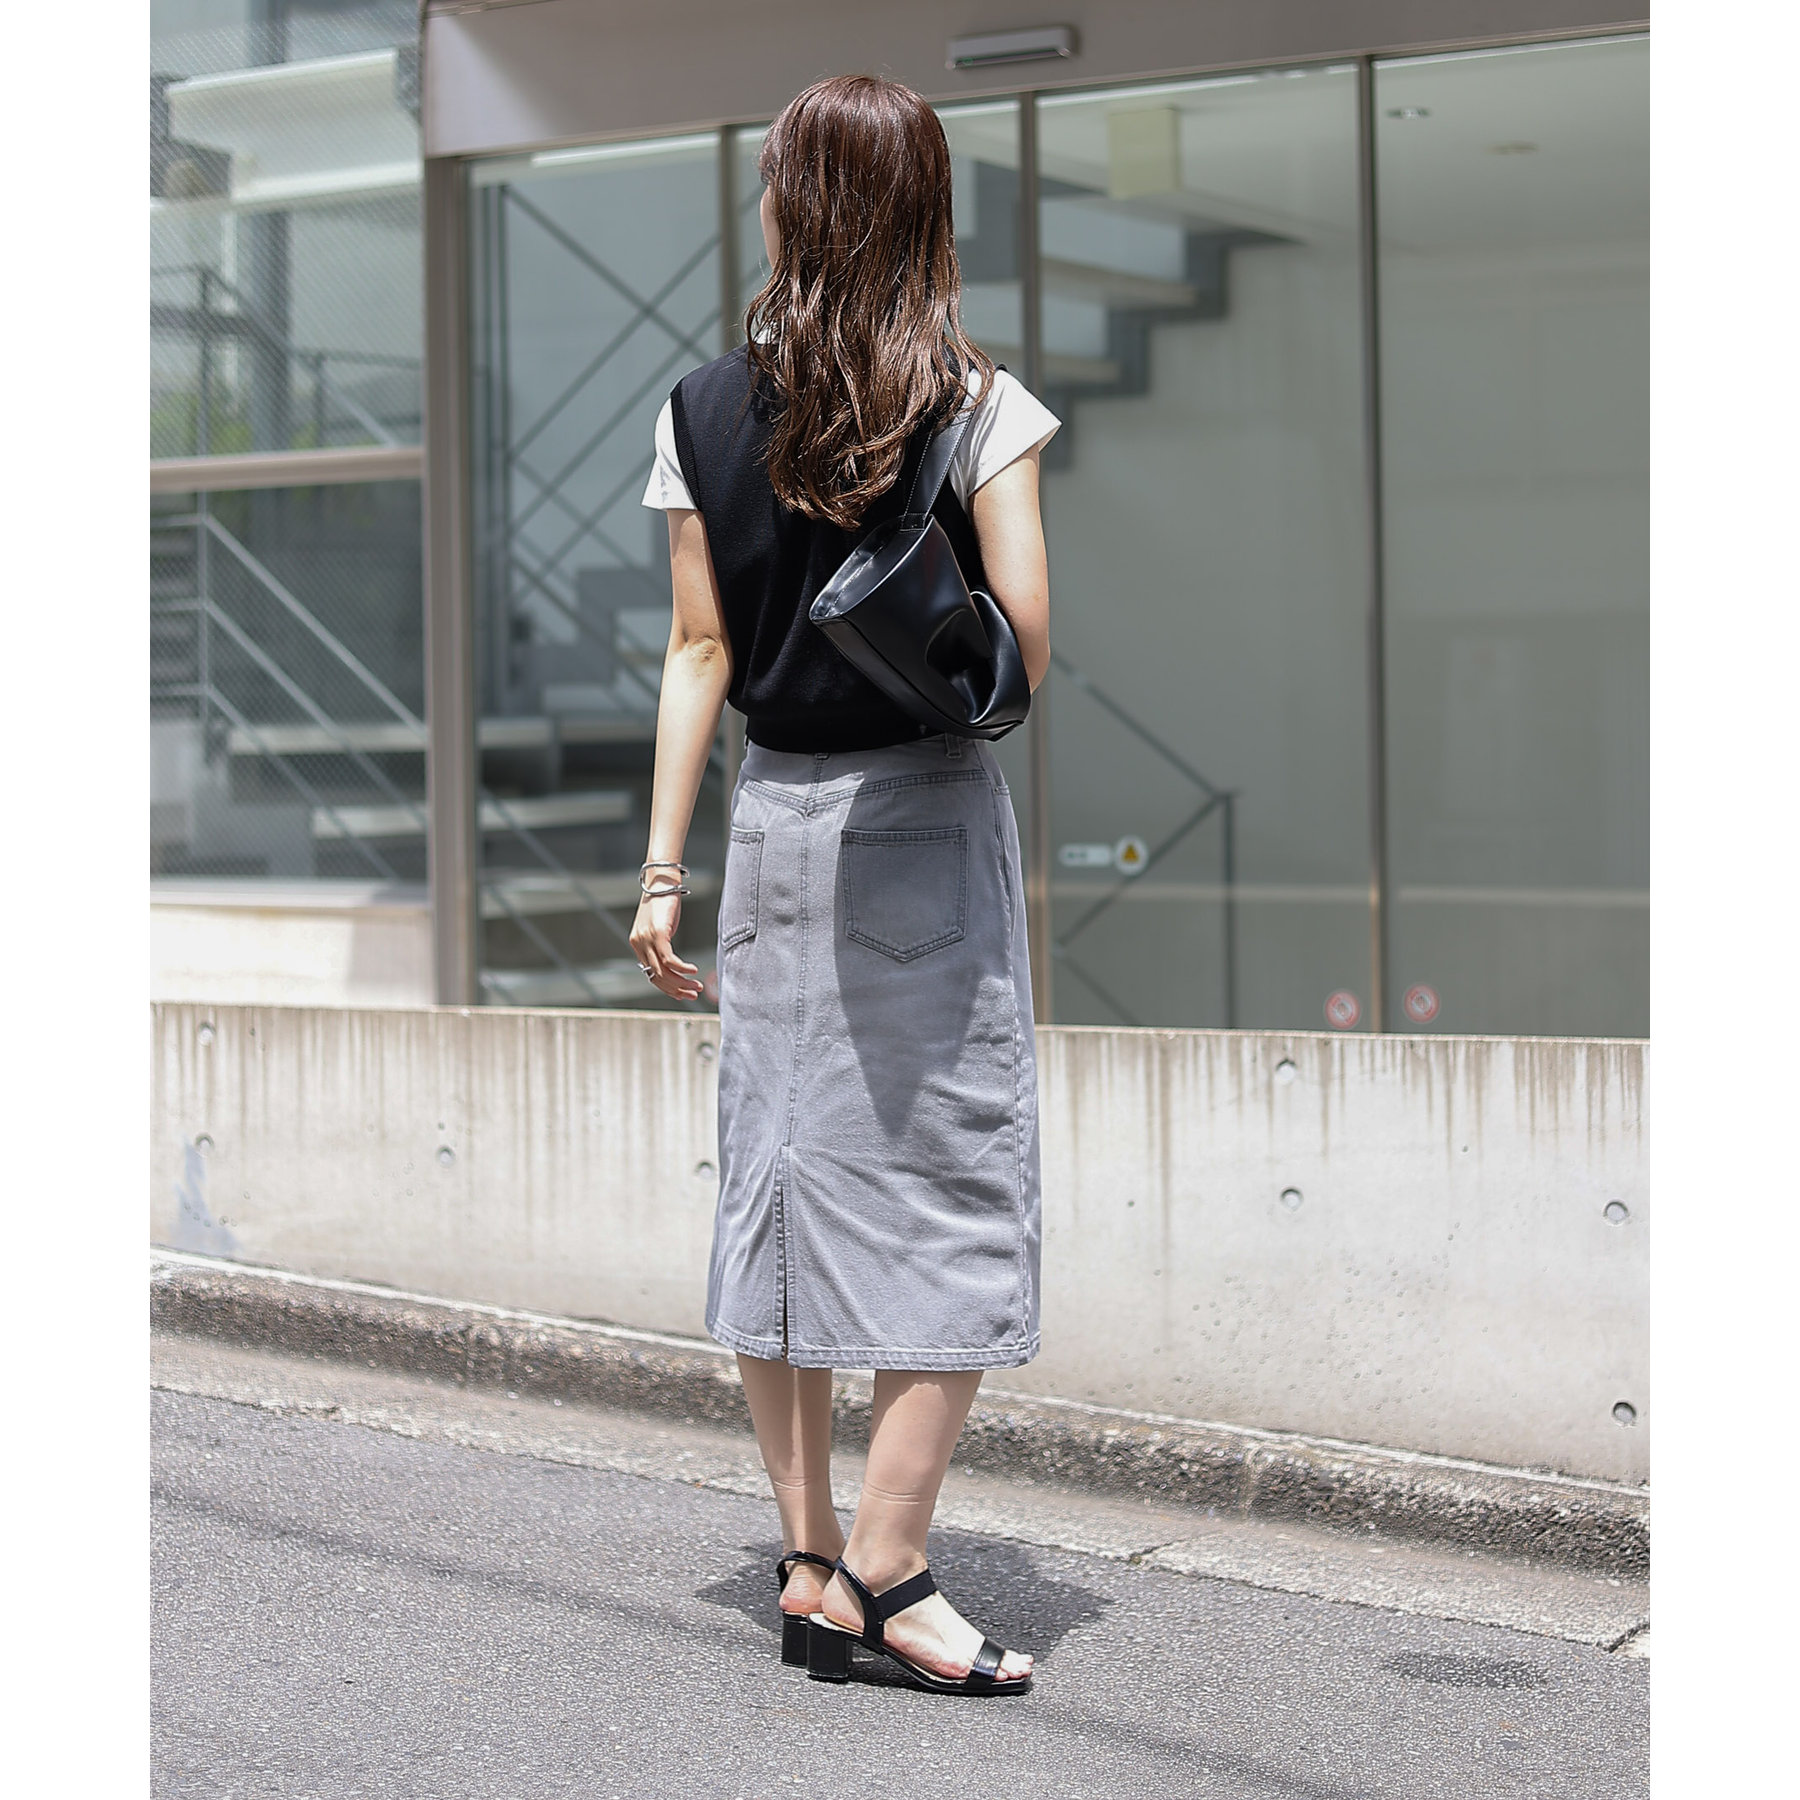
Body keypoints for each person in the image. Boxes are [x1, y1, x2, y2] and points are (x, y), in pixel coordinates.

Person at [633, 73, 1057, 1697]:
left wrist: (662, 870)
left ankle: (809, 1561)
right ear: (921, 213)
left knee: (779, 1180)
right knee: (953, 1177)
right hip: (919, 825)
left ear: (784, 207)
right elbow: (1023, 649)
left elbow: (697, 651)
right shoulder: (974, 405)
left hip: (769, 829)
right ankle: (892, 1568)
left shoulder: (697, 410)